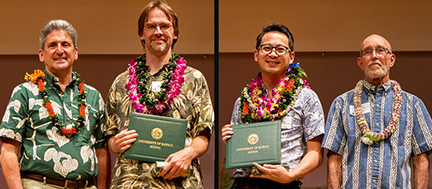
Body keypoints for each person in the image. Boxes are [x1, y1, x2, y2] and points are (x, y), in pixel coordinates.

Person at [104, 1, 214, 188]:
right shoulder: (120, 83)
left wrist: (188, 153)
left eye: (165, 26)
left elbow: (203, 135)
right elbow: (109, 137)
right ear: (142, 33)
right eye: (151, 26)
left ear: (175, 33)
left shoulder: (194, 79)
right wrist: (115, 143)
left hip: (180, 182)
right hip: (131, 183)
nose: (158, 32)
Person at [0, 19, 110, 189]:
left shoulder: (93, 96)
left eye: (65, 44)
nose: (60, 50)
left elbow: (101, 152)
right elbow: (8, 150)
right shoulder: (24, 92)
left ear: (75, 52)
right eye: (52, 45)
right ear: (41, 55)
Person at [221, 24, 325, 189]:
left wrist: (291, 175)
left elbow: (316, 154)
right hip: (244, 182)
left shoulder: (306, 97)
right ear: (256, 54)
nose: (273, 54)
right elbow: (242, 148)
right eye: (267, 48)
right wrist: (232, 140)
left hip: (284, 182)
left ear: (291, 56)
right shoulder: (244, 100)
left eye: (280, 49)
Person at [322, 34, 432, 188]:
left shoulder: (413, 105)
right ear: (360, 62)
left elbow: (421, 160)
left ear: (391, 59)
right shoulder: (341, 104)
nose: (374, 56)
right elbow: (335, 159)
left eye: (380, 50)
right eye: (367, 52)